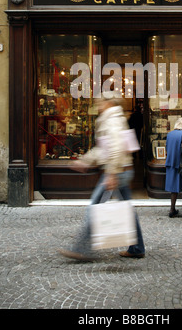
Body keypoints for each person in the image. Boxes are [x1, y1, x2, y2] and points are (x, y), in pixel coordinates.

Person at [58, 96, 145, 260]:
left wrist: (111, 174)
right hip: (121, 170)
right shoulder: (114, 118)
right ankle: (137, 247)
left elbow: (115, 147)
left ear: (109, 103)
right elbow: (104, 148)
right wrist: (85, 161)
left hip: (116, 172)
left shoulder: (111, 120)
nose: (98, 106)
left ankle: (81, 249)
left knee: (95, 207)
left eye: (100, 103)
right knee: (127, 209)